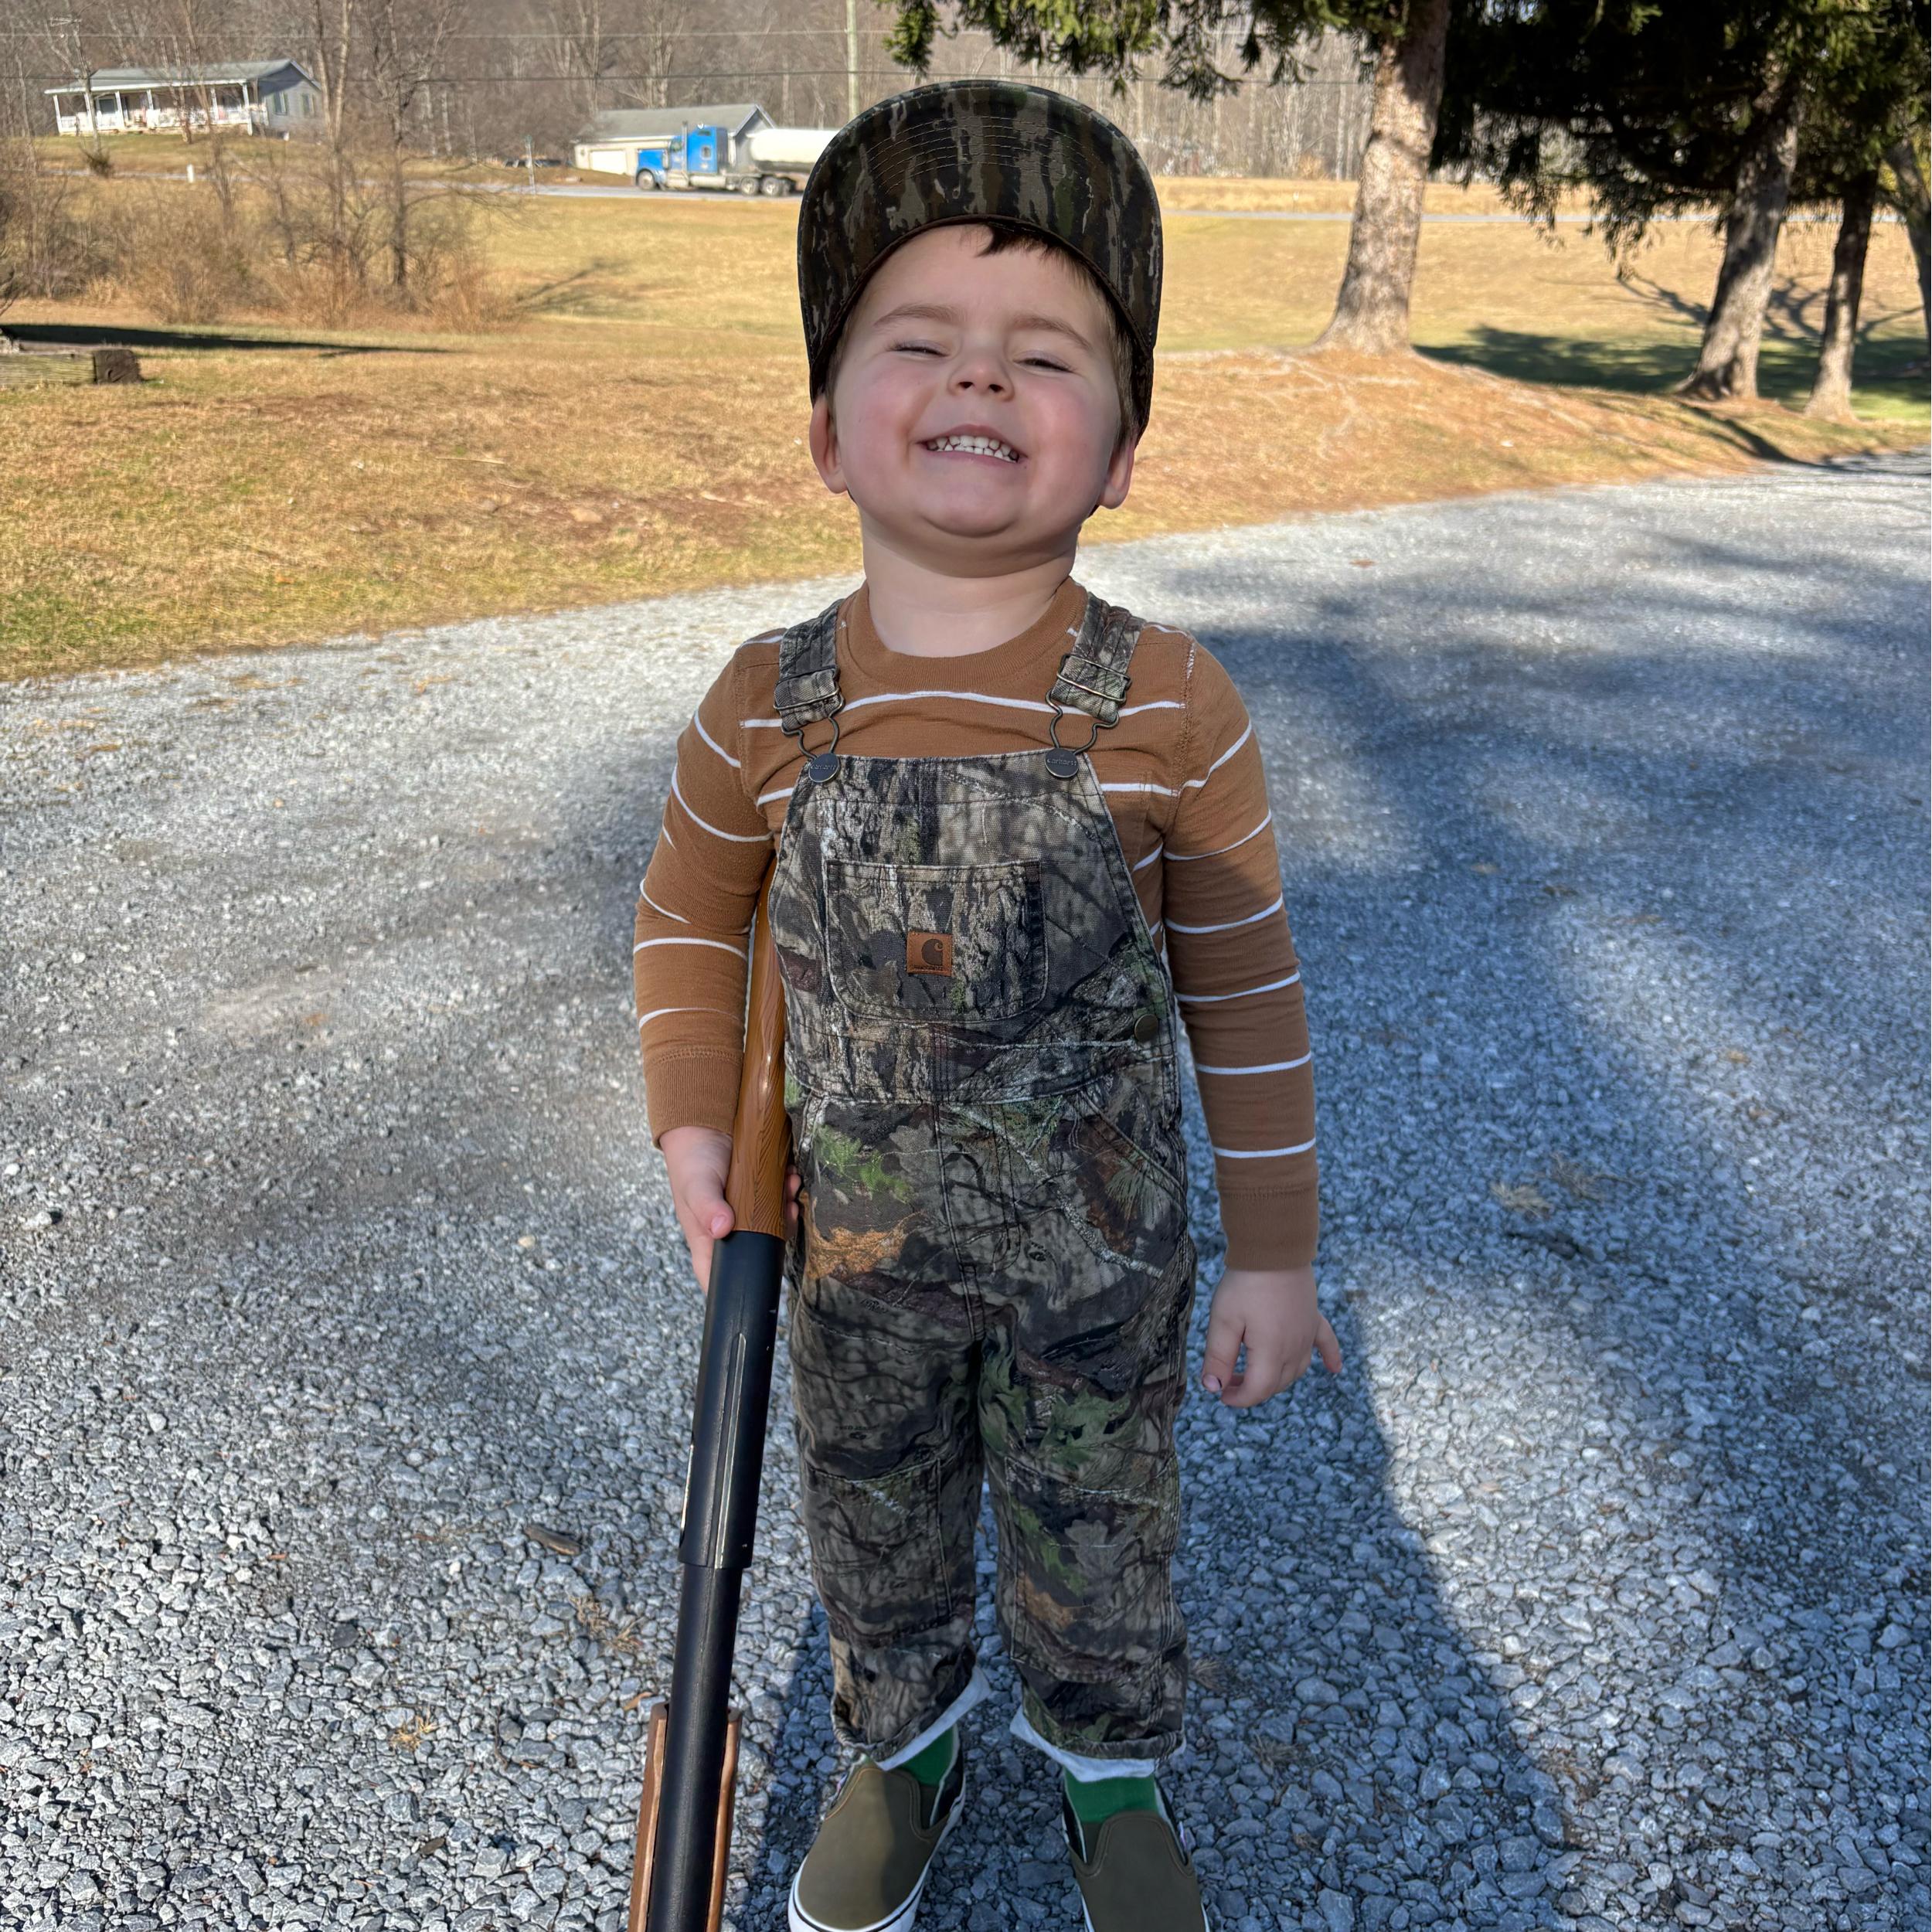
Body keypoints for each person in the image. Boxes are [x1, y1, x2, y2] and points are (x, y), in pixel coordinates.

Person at [632, 80, 1338, 1932]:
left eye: (1045, 352)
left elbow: (1246, 990)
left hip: (1096, 1274)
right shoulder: (760, 702)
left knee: (1100, 1531)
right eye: (917, 338)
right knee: (872, 1522)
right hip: (852, 1265)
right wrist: (693, 1125)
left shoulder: (1170, 703)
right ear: (825, 427)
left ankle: (1107, 1773)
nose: (978, 376)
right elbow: (688, 926)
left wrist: (1276, 1253)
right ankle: (904, 1746)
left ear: (1120, 448)